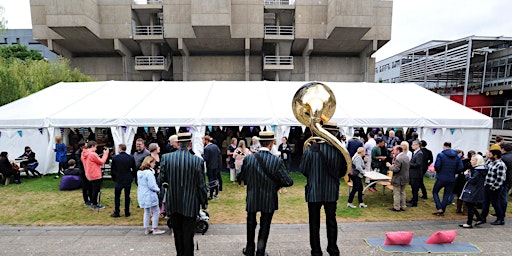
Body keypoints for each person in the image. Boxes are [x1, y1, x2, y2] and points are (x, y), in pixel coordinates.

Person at [239, 131, 293, 256]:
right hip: (269, 196)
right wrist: (276, 185)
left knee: (250, 223)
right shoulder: (276, 161)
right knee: (265, 225)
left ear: (260, 142)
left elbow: (241, 176)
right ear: (271, 144)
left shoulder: (249, 159)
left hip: (252, 195)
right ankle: (260, 251)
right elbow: (288, 181)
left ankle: (249, 249)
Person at [300, 122, 347, 256]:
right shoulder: (339, 151)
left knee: (314, 223)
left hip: (314, 190)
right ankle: (333, 249)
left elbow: (303, 170)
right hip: (331, 190)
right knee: (331, 221)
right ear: (335, 133)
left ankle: (316, 251)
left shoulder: (310, 149)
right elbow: (343, 171)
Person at [161, 133, 208, 256]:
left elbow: (161, 180)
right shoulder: (197, 161)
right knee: (188, 234)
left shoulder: (166, 158)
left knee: (178, 233)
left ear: (178, 143)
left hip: (174, 201)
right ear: (190, 144)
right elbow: (201, 184)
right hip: (190, 202)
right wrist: (204, 202)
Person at [432, 142, 463, 216]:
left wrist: (439, 171)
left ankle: (439, 207)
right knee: (446, 194)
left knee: (435, 192)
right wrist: (454, 172)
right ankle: (442, 210)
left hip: (441, 177)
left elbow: (437, 166)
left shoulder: (441, 155)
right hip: (451, 178)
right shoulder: (457, 156)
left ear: (444, 146)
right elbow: (461, 167)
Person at [137, 156, 165, 235]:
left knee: (147, 211)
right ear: (150, 163)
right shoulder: (149, 173)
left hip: (142, 194)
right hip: (150, 194)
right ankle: (155, 228)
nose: (154, 164)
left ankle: (146, 229)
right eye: (153, 163)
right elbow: (152, 185)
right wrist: (158, 190)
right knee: (156, 211)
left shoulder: (140, 172)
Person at [479, 145, 507, 225]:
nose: (489, 155)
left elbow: (500, 178)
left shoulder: (500, 165)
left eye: (490, 154)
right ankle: (482, 217)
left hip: (494, 187)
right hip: (487, 185)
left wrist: (493, 187)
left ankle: (500, 219)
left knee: (495, 203)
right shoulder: (491, 162)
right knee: (485, 202)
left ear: (495, 155)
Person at [459, 154, 486, 228]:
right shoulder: (480, 169)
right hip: (476, 189)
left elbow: (472, 180)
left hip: (473, 190)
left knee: (470, 206)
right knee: (470, 205)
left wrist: (466, 175)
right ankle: (480, 218)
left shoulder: (477, 171)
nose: (471, 161)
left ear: (477, 161)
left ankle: (469, 223)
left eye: (473, 160)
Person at [110, 144, 136, 218]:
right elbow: (134, 169)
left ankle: (117, 211)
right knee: (127, 196)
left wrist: (114, 178)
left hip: (118, 179)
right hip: (127, 178)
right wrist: (132, 177)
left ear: (120, 148)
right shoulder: (130, 157)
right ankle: (127, 212)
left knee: (117, 196)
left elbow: (113, 170)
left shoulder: (115, 158)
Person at [82, 140, 109, 210]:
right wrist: (105, 154)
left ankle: (92, 202)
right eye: (96, 147)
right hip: (95, 174)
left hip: (88, 174)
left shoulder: (84, 153)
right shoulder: (92, 154)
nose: (96, 149)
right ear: (93, 146)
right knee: (96, 190)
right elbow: (102, 162)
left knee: (91, 190)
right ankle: (94, 204)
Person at [386, 145, 409, 212]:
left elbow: (396, 169)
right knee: (402, 192)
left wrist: (390, 166)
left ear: (398, 151)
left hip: (398, 178)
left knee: (396, 193)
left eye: (394, 150)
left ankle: (397, 207)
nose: (393, 151)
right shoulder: (406, 157)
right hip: (405, 177)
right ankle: (403, 206)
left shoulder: (398, 159)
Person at [202, 135, 222, 199]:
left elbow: (206, 158)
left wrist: (201, 155)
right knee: (215, 179)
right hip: (216, 165)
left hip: (210, 166)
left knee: (211, 180)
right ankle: (216, 193)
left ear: (206, 141)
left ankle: (211, 195)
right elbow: (219, 155)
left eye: (203, 140)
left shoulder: (206, 148)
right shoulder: (215, 146)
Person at [407, 140, 423, 207]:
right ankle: (413, 199)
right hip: (413, 173)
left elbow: (418, 164)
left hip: (416, 174)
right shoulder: (415, 153)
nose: (412, 146)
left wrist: (409, 164)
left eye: (413, 145)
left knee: (415, 188)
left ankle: (414, 202)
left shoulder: (419, 153)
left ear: (418, 145)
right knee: (413, 188)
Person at [76, 141, 92, 206]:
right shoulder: (78, 153)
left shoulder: (87, 151)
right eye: (85, 146)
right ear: (81, 147)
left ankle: (91, 198)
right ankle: (86, 200)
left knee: (90, 185)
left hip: (88, 170)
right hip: (83, 171)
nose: (86, 147)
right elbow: (80, 162)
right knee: (85, 186)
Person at [499, 143, 512, 220]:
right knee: (503, 196)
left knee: (503, 197)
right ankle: (500, 212)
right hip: (510, 180)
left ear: (503, 149)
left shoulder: (504, 158)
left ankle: (501, 214)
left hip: (505, 180)